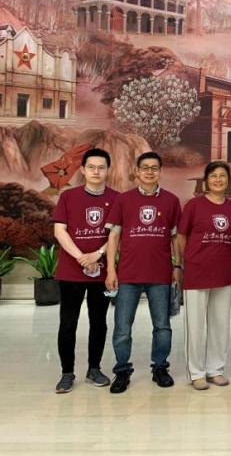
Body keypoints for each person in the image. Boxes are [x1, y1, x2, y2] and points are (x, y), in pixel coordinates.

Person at [104, 152, 182, 394]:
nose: (149, 172)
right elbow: (113, 236)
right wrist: (111, 269)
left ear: (160, 171)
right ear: (137, 171)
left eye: (154, 168)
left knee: (162, 326)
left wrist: (177, 266)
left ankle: (160, 367)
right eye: (145, 167)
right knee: (122, 328)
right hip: (127, 275)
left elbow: (175, 238)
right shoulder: (124, 199)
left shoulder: (171, 201)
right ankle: (122, 371)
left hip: (160, 275)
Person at [52, 148, 119, 394]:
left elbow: (117, 234)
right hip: (71, 271)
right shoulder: (68, 197)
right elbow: (60, 230)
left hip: (101, 271)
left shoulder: (117, 198)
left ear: (108, 170)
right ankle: (67, 373)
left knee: (98, 322)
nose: (96, 171)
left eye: (101, 167)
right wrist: (81, 257)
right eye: (91, 167)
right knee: (68, 322)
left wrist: (97, 254)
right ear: (82, 170)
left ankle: (94, 369)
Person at [177, 161, 231, 390]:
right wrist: (181, 264)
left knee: (220, 324)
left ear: (228, 180)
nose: (218, 180)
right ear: (206, 180)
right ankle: (196, 373)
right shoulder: (194, 205)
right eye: (213, 176)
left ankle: (215, 369)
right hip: (197, 272)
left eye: (222, 176)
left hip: (223, 272)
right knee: (195, 326)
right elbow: (181, 237)